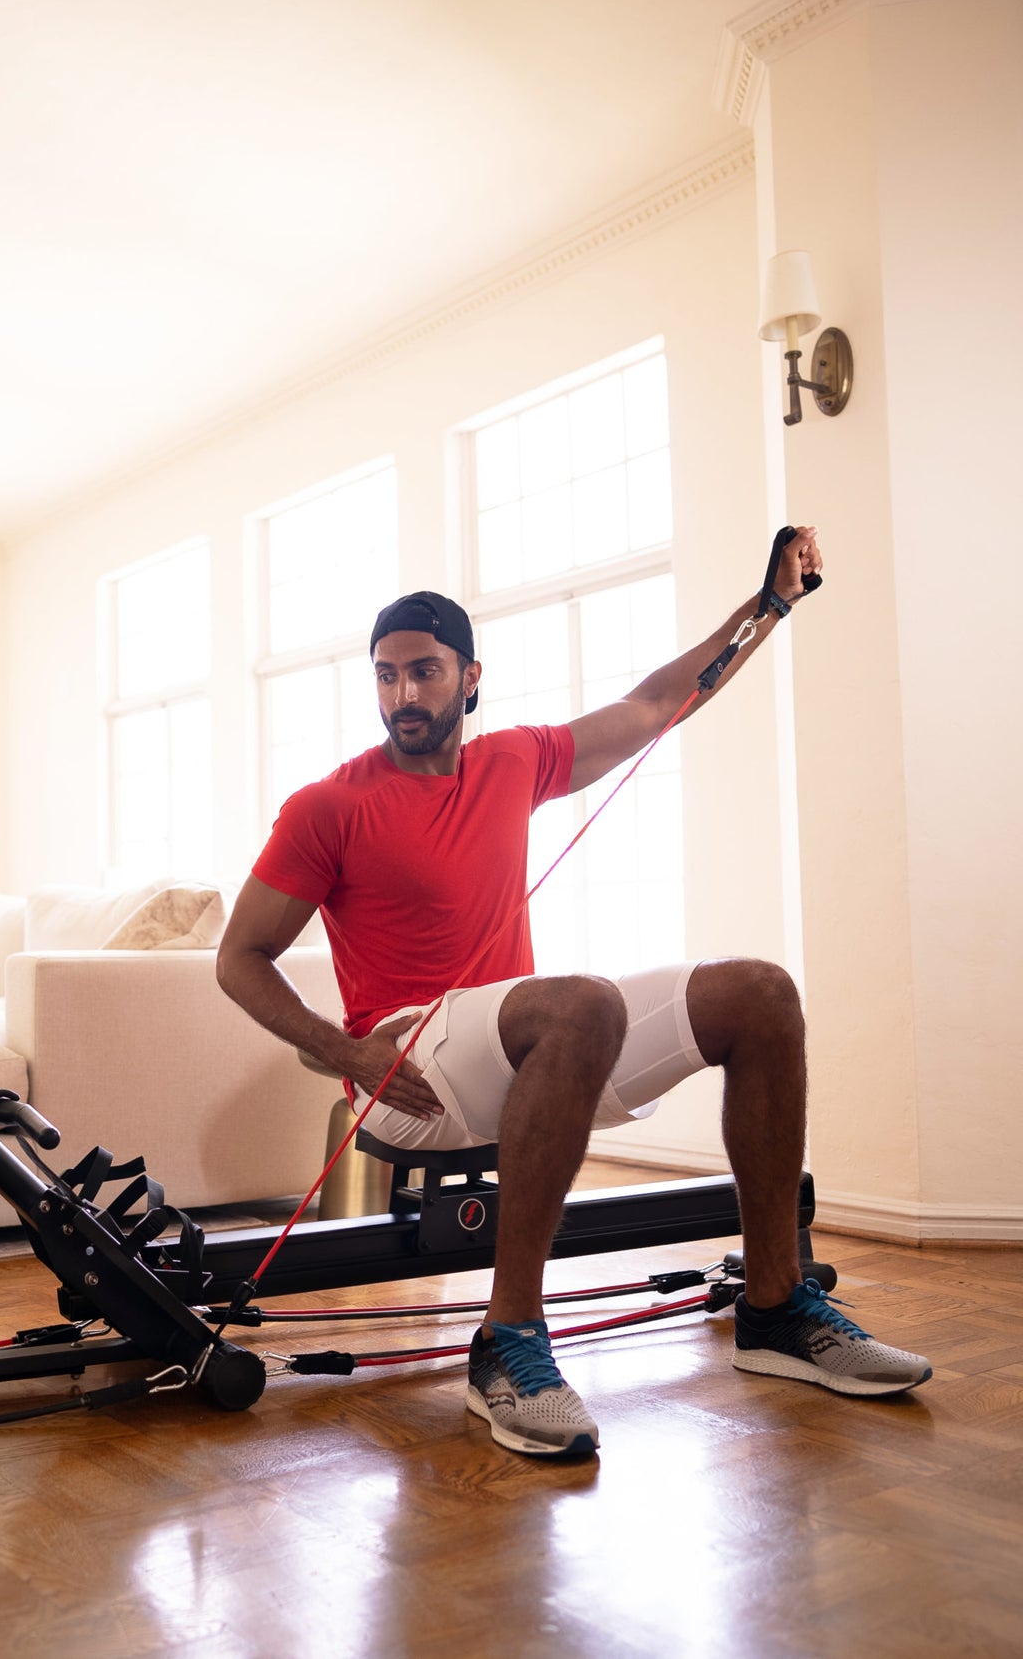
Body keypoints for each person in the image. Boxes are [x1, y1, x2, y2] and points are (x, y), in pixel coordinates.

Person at [216, 530, 930, 1460]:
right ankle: (507, 1342)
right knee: (580, 1002)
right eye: (386, 678)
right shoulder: (330, 806)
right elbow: (240, 958)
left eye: (425, 673)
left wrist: (766, 607)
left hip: (525, 1046)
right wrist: (348, 1054)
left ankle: (776, 1305)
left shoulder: (514, 761)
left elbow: (656, 702)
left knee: (760, 994)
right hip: (405, 1073)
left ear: (470, 679)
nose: (404, 696)